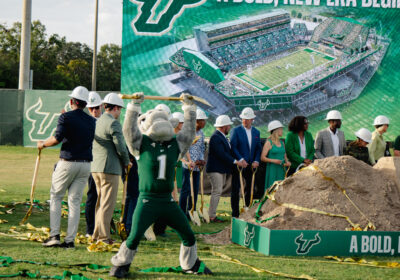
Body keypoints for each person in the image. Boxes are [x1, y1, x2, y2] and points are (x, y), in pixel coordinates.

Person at [109, 93, 212, 278]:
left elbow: (188, 133)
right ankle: (121, 264)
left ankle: (190, 264)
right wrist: (134, 106)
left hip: (167, 200)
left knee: (188, 234)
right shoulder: (142, 143)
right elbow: (128, 131)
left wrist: (189, 109)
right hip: (147, 199)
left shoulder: (174, 144)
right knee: (134, 237)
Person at [39, 86, 96, 249]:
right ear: (85, 104)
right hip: (85, 165)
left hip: (68, 162)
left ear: (72, 101)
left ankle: (54, 236)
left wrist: (42, 144)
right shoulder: (91, 121)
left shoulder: (66, 117)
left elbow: (57, 139)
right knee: (75, 202)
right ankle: (70, 240)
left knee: (56, 196)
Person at [91, 92, 130, 244]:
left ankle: (96, 234)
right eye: (119, 109)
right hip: (110, 168)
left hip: (96, 167)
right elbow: (120, 146)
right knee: (107, 204)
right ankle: (103, 236)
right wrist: (127, 161)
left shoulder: (98, 121)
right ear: (115, 108)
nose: (120, 113)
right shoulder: (113, 123)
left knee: (100, 203)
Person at [207, 115, 244, 223]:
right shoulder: (215, 137)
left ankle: (212, 214)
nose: (229, 127)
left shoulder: (221, 136)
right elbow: (221, 153)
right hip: (215, 169)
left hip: (220, 169)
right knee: (217, 191)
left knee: (217, 190)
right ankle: (212, 216)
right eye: (228, 125)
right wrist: (235, 161)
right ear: (224, 126)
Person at [230, 107, 262, 218]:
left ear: (252, 119)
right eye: (243, 118)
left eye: (247, 119)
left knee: (250, 187)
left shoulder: (256, 132)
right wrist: (240, 159)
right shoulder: (236, 130)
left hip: (250, 165)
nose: (245, 121)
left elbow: (258, 148)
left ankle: (247, 209)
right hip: (239, 165)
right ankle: (235, 213)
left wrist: (256, 160)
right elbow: (233, 147)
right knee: (236, 188)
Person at [179, 109, 207, 218]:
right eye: (202, 121)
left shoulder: (201, 133)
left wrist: (201, 160)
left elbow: (201, 148)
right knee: (185, 189)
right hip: (187, 166)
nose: (204, 123)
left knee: (195, 189)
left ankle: (192, 210)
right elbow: (183, 149)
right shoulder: (187, 132)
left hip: (197, 167)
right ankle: (182, 213)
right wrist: (190, 162)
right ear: (196, 121)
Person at [84, 91, 103, 237]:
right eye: (91, 108)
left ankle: (103, 227)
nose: (94, 111)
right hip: (92, 164)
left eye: (96, 107)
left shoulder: (106, 121)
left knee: (105, 198)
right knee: (92, 196)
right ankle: (90, 230)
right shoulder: (86, 122)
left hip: (105, 166)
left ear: (101, 106)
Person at [260, 120, 290, 192]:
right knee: (272, 189)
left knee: (281, 190)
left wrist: (287, 161)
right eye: (281, 129)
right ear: (276, 130)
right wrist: (273, 161)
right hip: (272, 170)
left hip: (282, 169)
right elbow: (262, 158)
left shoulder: (282, 142)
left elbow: (285, 155)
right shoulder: (268, 142)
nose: (282, 130)